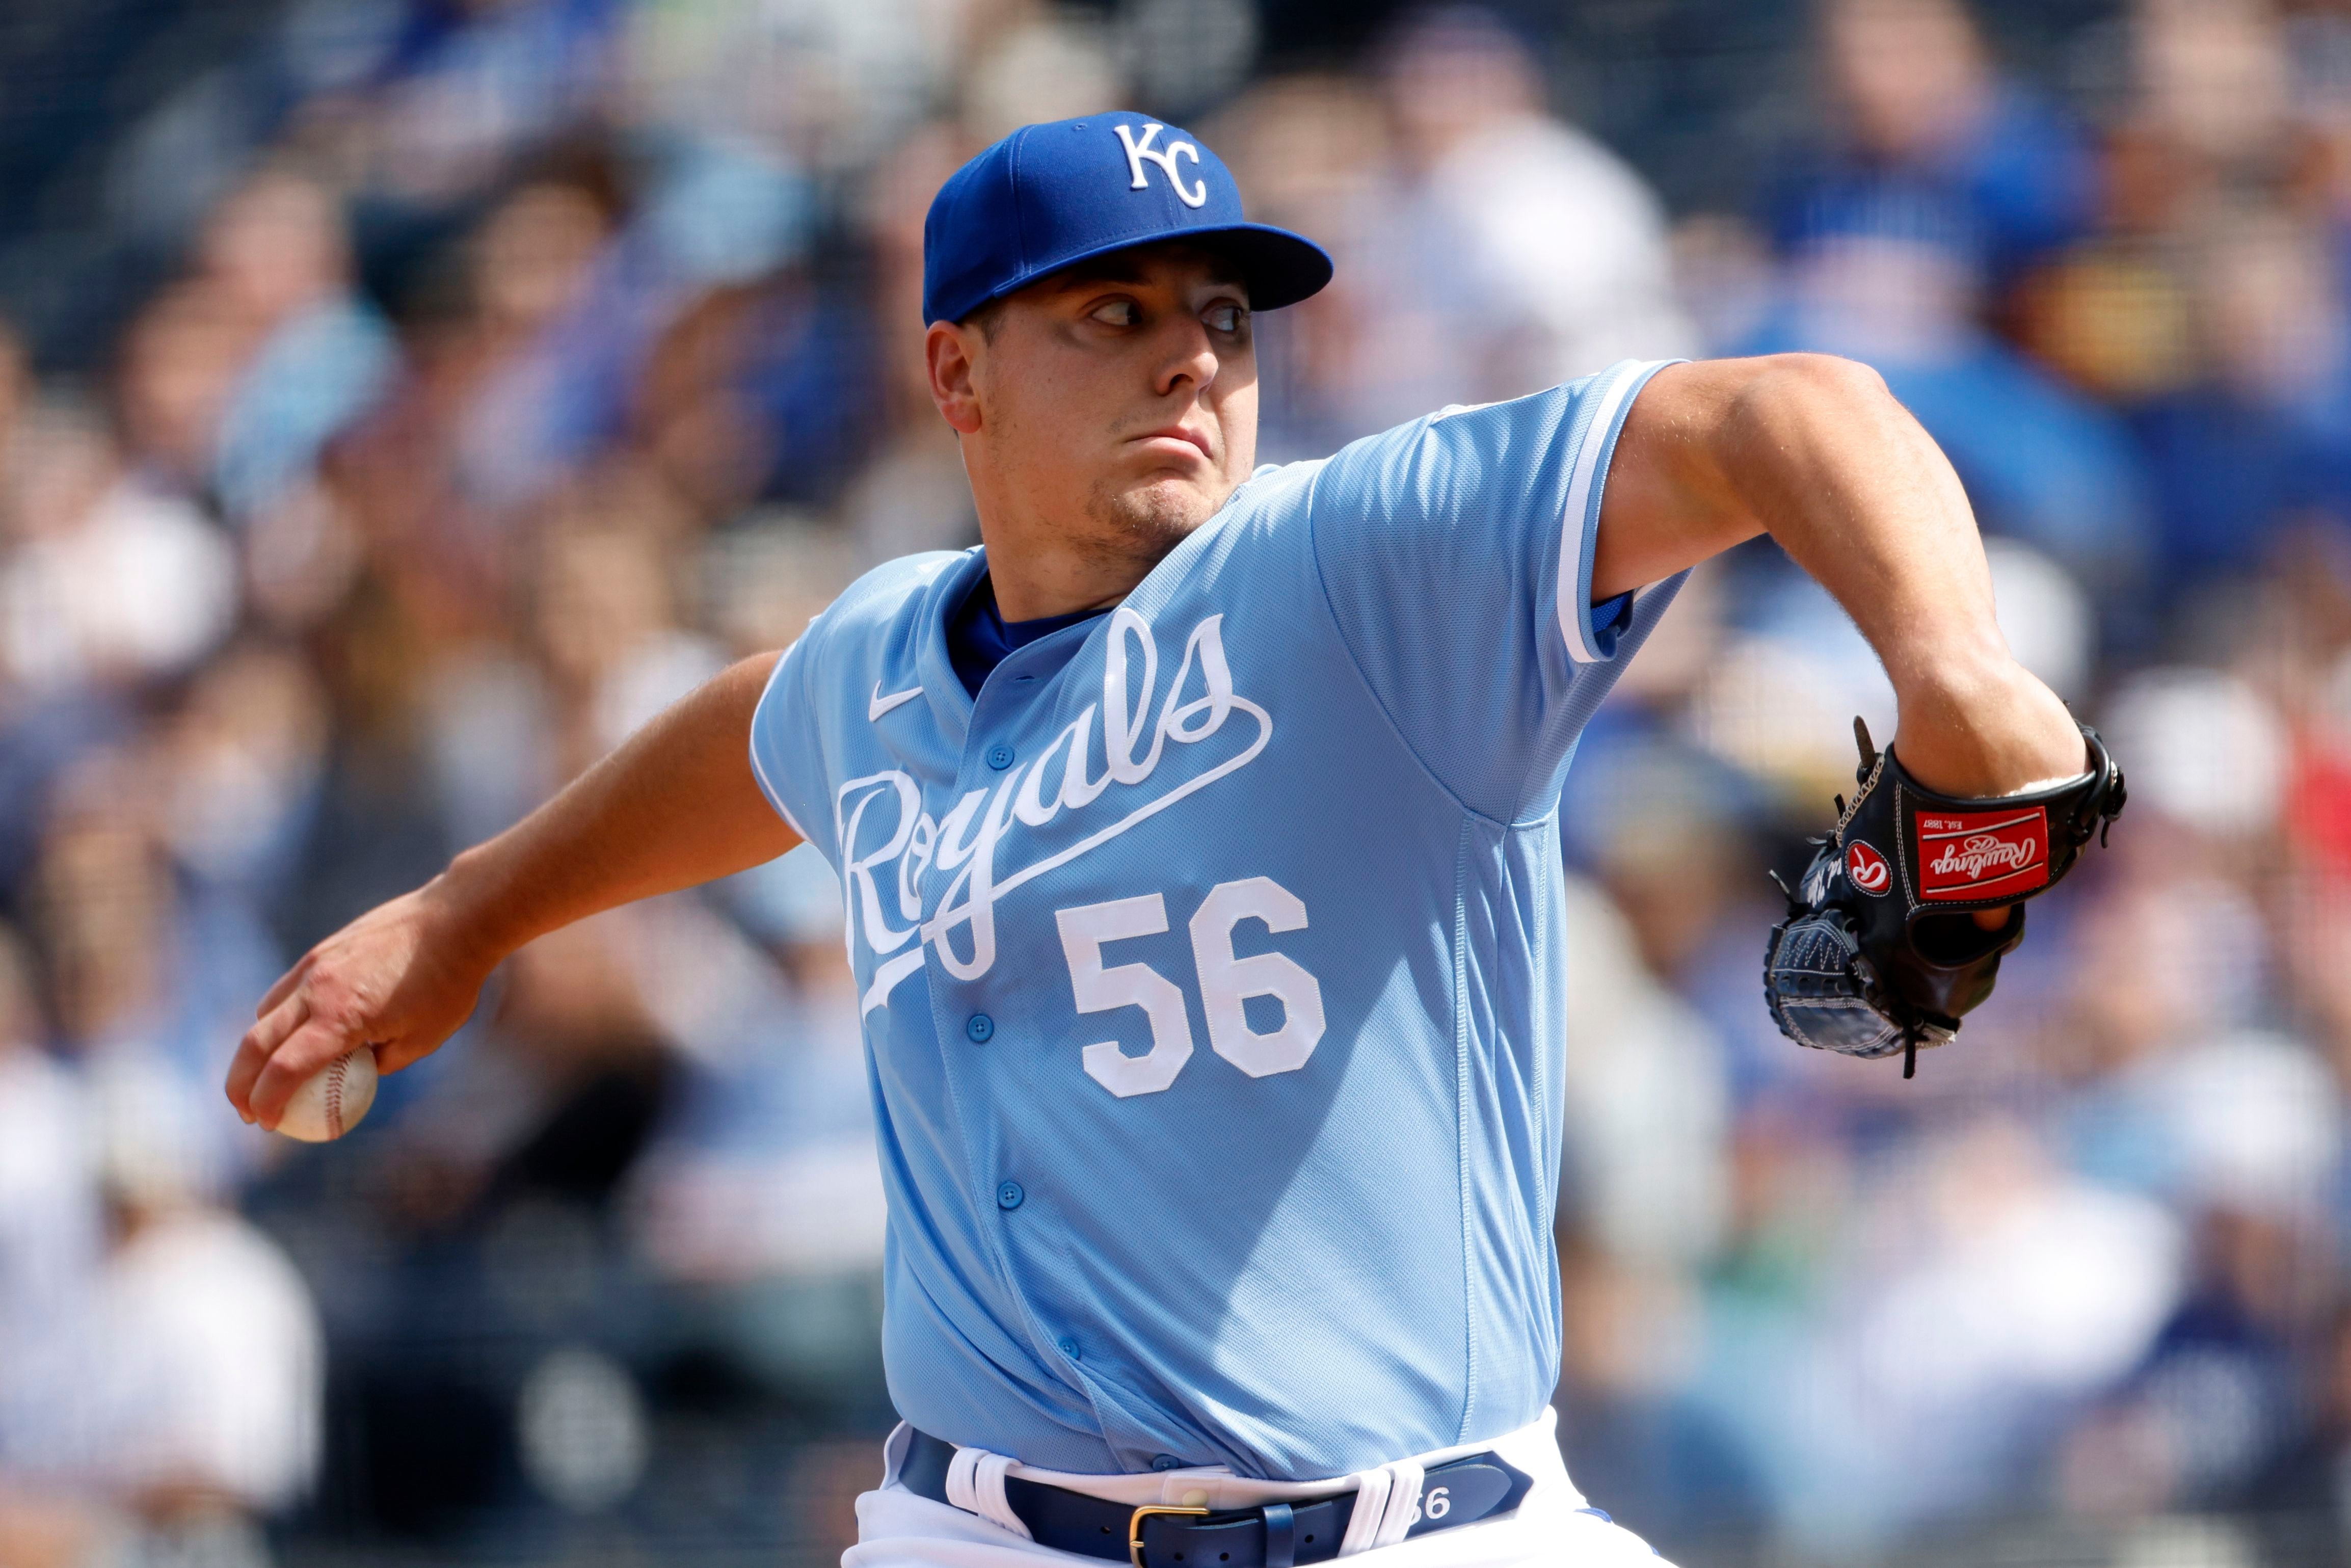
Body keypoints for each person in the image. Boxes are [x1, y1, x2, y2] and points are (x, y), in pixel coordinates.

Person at [226, 113, 2091, 1566]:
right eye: (1112, 317)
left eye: (1222, 318)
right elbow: (758, 731)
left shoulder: (1366, 566)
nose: (1191, 362)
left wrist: (1952, 665)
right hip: (977, 1529)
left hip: (1418, 1526)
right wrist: (470, 915)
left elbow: (1788, 408)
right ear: (958, 376)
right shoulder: (883, 658)